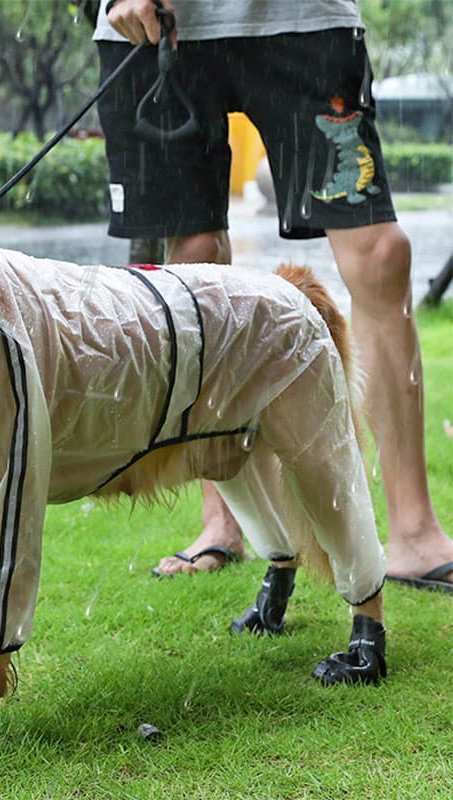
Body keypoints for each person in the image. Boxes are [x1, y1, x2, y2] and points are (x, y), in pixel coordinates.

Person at [93, 0, 453, 590]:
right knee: (193, 259)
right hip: (157, 27)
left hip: (302, 17)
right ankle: (221, 520)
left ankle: (414, 531)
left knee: (381, 256)